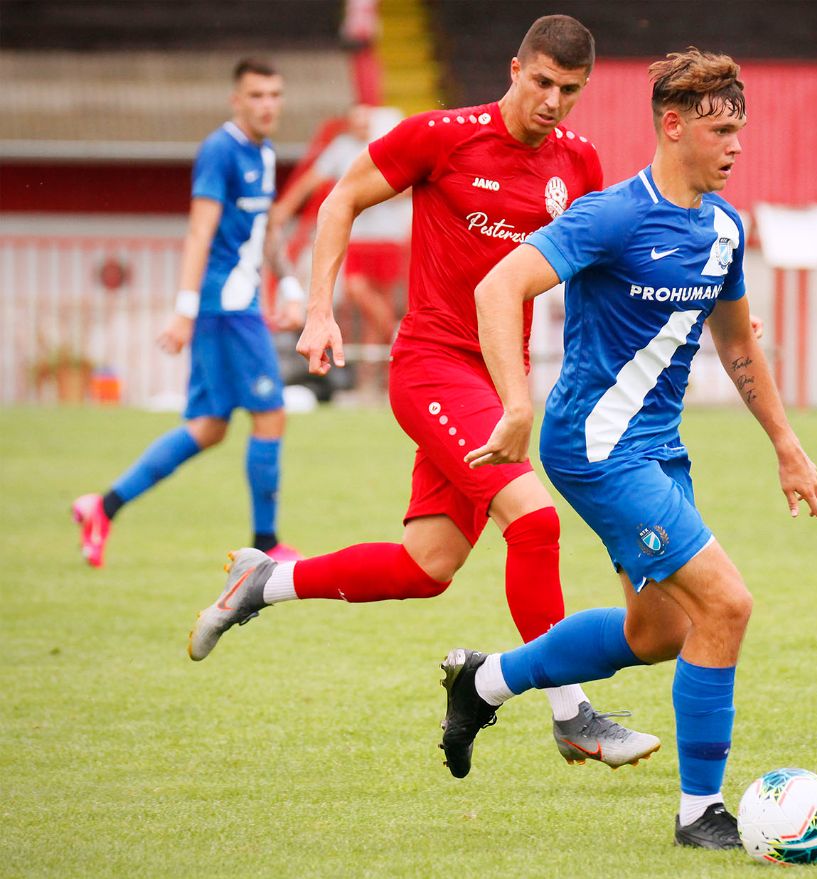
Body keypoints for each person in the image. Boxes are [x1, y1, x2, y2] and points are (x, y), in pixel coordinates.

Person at [186, 16, 659, 769]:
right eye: (542, 82)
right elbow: (341, 199)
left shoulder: (578, 161)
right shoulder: (443, 137)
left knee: (426, 566)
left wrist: (690, 308)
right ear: (515, 69)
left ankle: (266, 580)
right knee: (534, 522)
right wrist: (318, 309)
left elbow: (603, 264)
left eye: (570, 90)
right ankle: (572, 714)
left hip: (497, 380)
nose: (553, 102)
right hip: (433, 367)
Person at [436, 48, 817, 851]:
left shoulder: (725, 229)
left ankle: (485, 679)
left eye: (739, 131)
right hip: (596, 447)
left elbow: (737, 343)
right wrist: (516, 401)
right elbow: (497, 286)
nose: (735, 146)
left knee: (659, 633)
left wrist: (787, 445)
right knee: (726, 604)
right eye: (720, 131)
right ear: (672, 126)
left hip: (657, 450)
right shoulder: (609, 216)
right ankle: (700, 812)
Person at [71, 58, 304, 568]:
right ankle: (266, 545)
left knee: (209, 426)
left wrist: (289, 286)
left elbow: (265, 230)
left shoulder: (263, 153)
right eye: (257, 95)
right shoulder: (220, 150)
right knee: (270, 413)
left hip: (238, 304)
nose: (267, 104)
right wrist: (184, 309)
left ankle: (103, 507)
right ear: (236, 100)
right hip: (226, 307)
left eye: (275, 95)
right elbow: (199, 231)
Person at [271, 103, 411, 396]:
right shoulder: (343, 149)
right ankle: (399, 336)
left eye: (366, 120)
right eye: (356, 120)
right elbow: (311, 180)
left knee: (374, 313)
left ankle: (371, 378)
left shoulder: (385, 146)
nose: (361, 125)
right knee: (358, 291)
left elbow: (407, 188)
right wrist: (284, 208)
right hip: (358, 238)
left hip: (387, 237)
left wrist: (368, 195)